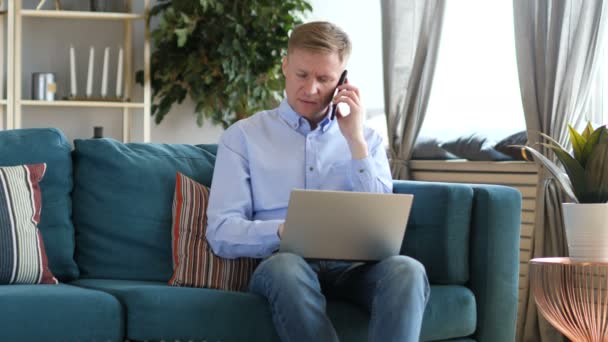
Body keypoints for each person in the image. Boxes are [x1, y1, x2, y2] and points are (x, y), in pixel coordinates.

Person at [206, 21, 430, 342]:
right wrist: (284, 230)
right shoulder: (243, 137)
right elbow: (221, 232)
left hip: (354, 269)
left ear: (342, 81)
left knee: (408, 270)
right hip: (282, 266)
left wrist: (354, 141)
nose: (311, 89)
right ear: (285, 66)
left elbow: (383, 223)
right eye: (302, 75)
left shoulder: (365, 139)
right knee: (285, 269)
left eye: (324, 79)